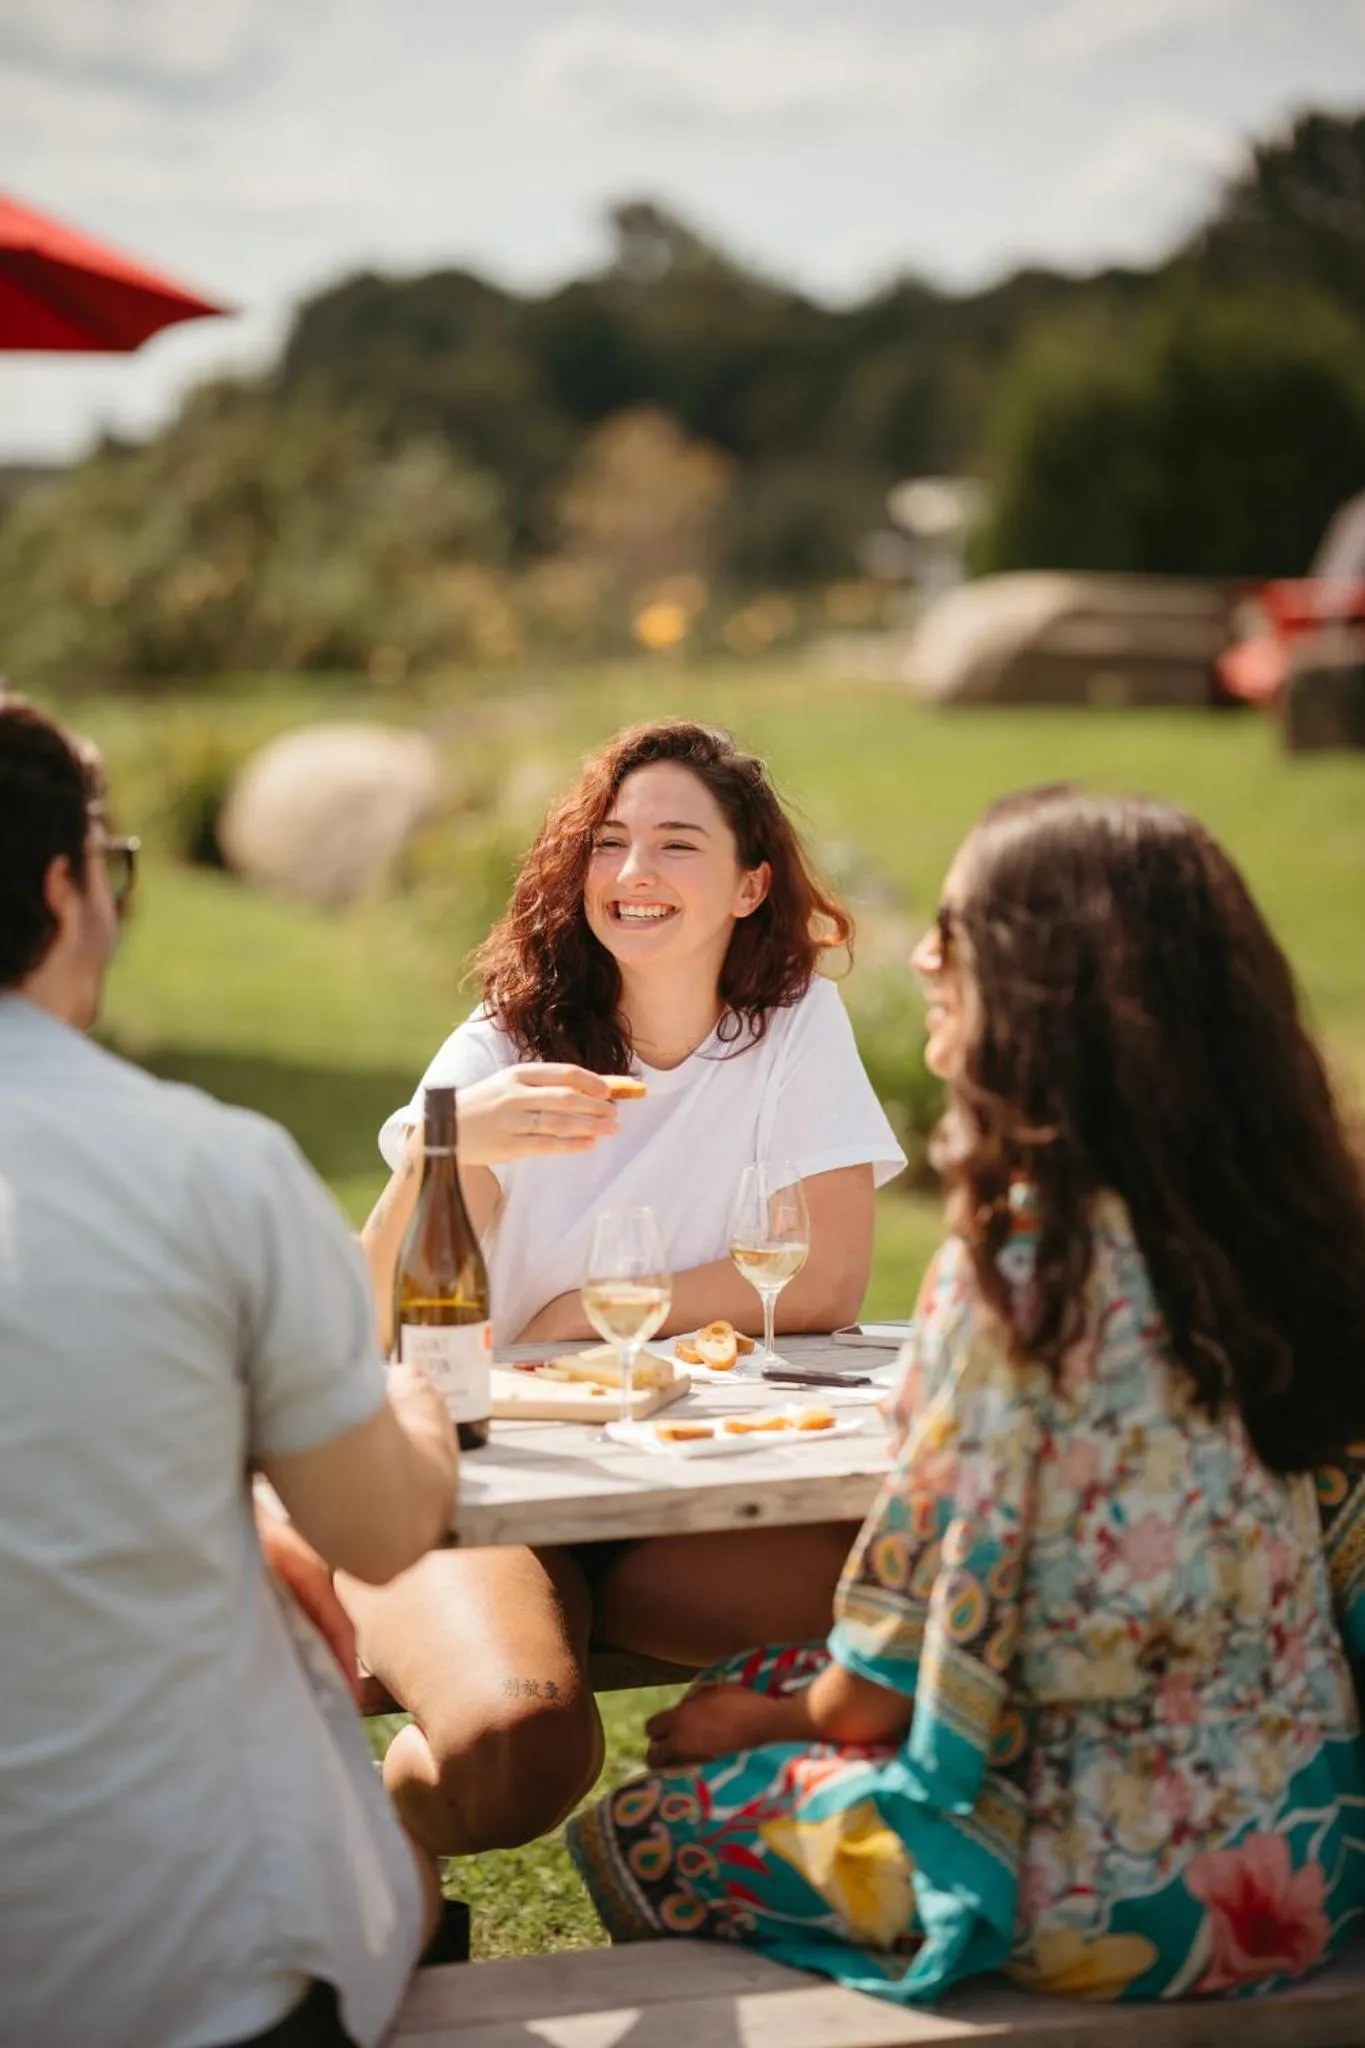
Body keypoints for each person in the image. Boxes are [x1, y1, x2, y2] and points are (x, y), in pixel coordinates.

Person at [567, 785, 1365, 2008]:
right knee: (771, 1666)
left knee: (649, 1821)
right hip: (1311, 1851)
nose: (927, 959)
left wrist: (769, 1727)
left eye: (958, 932)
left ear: (1058, 983)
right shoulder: (1299, 1237)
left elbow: (915, 1632)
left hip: (1113, 1892)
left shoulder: (1021, 1278)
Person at [352, 720, 906, 1857]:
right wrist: (444, 1147)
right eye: (609, 843)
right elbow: (370, 1325)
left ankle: (768, 1863)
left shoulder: (792, 1025)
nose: (633, 871)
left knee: (920, 1630)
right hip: (480, 1490)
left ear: (751, 886)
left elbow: (827, 1277)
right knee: (513, 1753)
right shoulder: (505, 1046)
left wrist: (582, 1313)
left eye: (675, 844)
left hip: (683, 1493)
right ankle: (357, 1827)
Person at [0, 699, 458, 2048]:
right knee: (402, 1878)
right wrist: (416, 1404)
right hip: (178, 1971)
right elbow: (378, 1529)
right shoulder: (213, 1171)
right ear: (64, 890)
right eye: (114, 866)